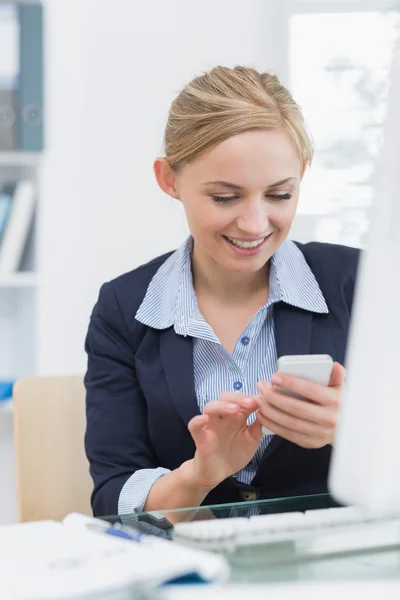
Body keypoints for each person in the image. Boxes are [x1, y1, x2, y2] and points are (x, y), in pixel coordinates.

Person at [84, 66, 360, 519]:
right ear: (169, 180)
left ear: (302, 175)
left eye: (278, 194)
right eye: (225, 198)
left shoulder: (360, 283)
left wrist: (356, 427)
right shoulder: (124, 309)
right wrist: (198, 475)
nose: (254, 224)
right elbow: (114, 495)